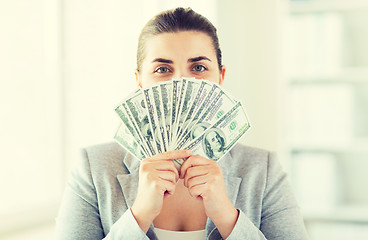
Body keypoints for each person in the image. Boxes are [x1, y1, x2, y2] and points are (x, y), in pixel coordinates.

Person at [55, 7, 308, 240]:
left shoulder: (263, 170)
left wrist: (227, 217)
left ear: (220, 77)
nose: (182, 83)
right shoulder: (93, 168)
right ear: (139, 81)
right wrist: (139, 216)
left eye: (198, 67)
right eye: (163, 69)